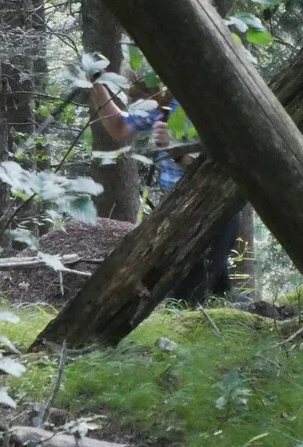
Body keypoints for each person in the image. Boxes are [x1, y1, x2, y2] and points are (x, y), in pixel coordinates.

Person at [89, 68, 242, 301]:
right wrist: (97, 87)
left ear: (160, 89)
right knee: (215, 295)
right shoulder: (156, 108)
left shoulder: (199, 106)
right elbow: (120, 127)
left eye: (138, 97)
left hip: (214, 206)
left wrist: (177, 151)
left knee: (187, 295)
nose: (134, 102)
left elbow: (222, 168)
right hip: (180, 206)